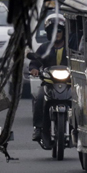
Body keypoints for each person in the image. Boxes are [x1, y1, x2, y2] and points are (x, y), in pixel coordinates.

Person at [30, 15, 68, 144]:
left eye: (59, 31)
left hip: (69, 84)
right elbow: (34, 62)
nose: (56, 34)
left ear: (64, 32)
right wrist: (34, 69)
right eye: (52, 31)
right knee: (39, 99)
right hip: (49, 84)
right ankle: (38, 128)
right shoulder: (43, 48)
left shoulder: (71, 48)